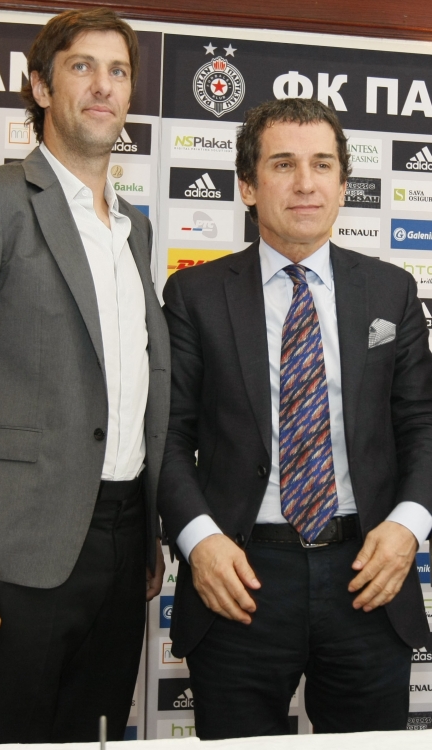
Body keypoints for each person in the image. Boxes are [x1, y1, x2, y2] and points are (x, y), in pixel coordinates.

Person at [158, 97, 432, 738]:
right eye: (283, 164)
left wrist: (408, 528)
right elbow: (167, 437)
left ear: (343, 184)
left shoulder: (391, 290)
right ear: (248, 186)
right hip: (239, 576)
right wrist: (200, 543)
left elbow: (422, 424)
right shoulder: (195, 295)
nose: (305, 183)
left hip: (368, 572)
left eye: (322, 165)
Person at [0, 7, 169, 747]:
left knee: (94, 739)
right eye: (81, 67)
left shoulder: (135, 228)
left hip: (125, 547)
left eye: (118, 71)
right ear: (40, 86)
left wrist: (147, 536)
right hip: (15, 551)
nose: (103, 86)